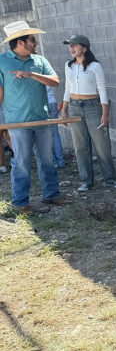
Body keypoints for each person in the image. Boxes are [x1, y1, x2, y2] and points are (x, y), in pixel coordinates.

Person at [0, 21, 65, 212]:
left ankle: (51, 195)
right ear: (20, 42)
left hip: (42, 120)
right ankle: (21, 202)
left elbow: (55, 82)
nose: (35, 42)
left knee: (47, 160)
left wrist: (31, 74)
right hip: (18, 123)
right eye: (32, 39)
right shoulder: (2, 62)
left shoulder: (40, 61)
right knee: (21, 162)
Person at [60, 34, 116, 192]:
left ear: (84, 48)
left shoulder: (95, 66)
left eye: (75, 45)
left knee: (102, 145)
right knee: (80, 146)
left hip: (92, 106)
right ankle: (86, 181)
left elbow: (102, 89)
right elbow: (67, 88)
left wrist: (105, 113)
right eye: (70, 46)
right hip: (74, 106)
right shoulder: (68, 66)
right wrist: (64, 110)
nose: (71, 48)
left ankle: (111, 178)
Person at [47, 86, 64, 167]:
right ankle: (60, 161)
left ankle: (53, 161)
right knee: (55, 133)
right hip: (52, 102)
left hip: (43, 104)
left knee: (45, 135)